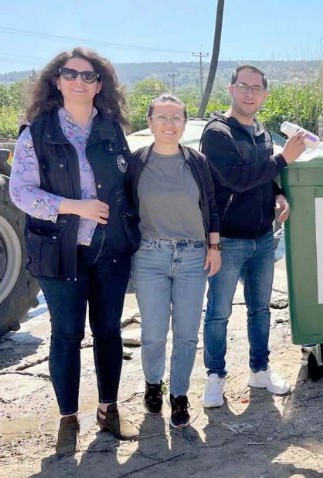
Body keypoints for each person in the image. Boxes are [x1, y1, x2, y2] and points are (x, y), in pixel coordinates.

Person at [9, 47, 140, 456]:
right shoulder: (37, 132)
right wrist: (73, 206)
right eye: (71, 74)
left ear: (100, 85)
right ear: (58, 80)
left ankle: (108, 409)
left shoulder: (113, 130)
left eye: (88, 76)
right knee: (66, 335)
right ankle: (68, 417)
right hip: (58, 250)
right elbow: (20, 192)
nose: (79, 82)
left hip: (109, 248)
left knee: (109, 332)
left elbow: (128, 184)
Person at [200, 64, 307, 408]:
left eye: (256, 88)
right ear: (231, 89)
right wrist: (283, 159)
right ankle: (215, 376)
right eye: (243, 86)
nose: (249, 93)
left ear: (264, 95)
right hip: (228, 239)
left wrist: (277, 193)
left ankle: (259, 371)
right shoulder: (218, 133)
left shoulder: (260, 130)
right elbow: (236, 179)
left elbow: (262, 177)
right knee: (218, 312)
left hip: (262, 237)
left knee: (260, 309)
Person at [127, 94, 221, 428]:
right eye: (162, 117)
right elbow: (125, 208)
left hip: (193, 257)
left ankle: (179, 395)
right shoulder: (137, 162)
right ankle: (154, 384)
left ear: (185, 123)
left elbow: (210, 204)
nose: (170, 124)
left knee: (186, 334)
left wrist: (214, 246)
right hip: (149, 256)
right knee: (153, 333)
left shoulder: (196, 161)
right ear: (150, 121)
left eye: (177, 117)